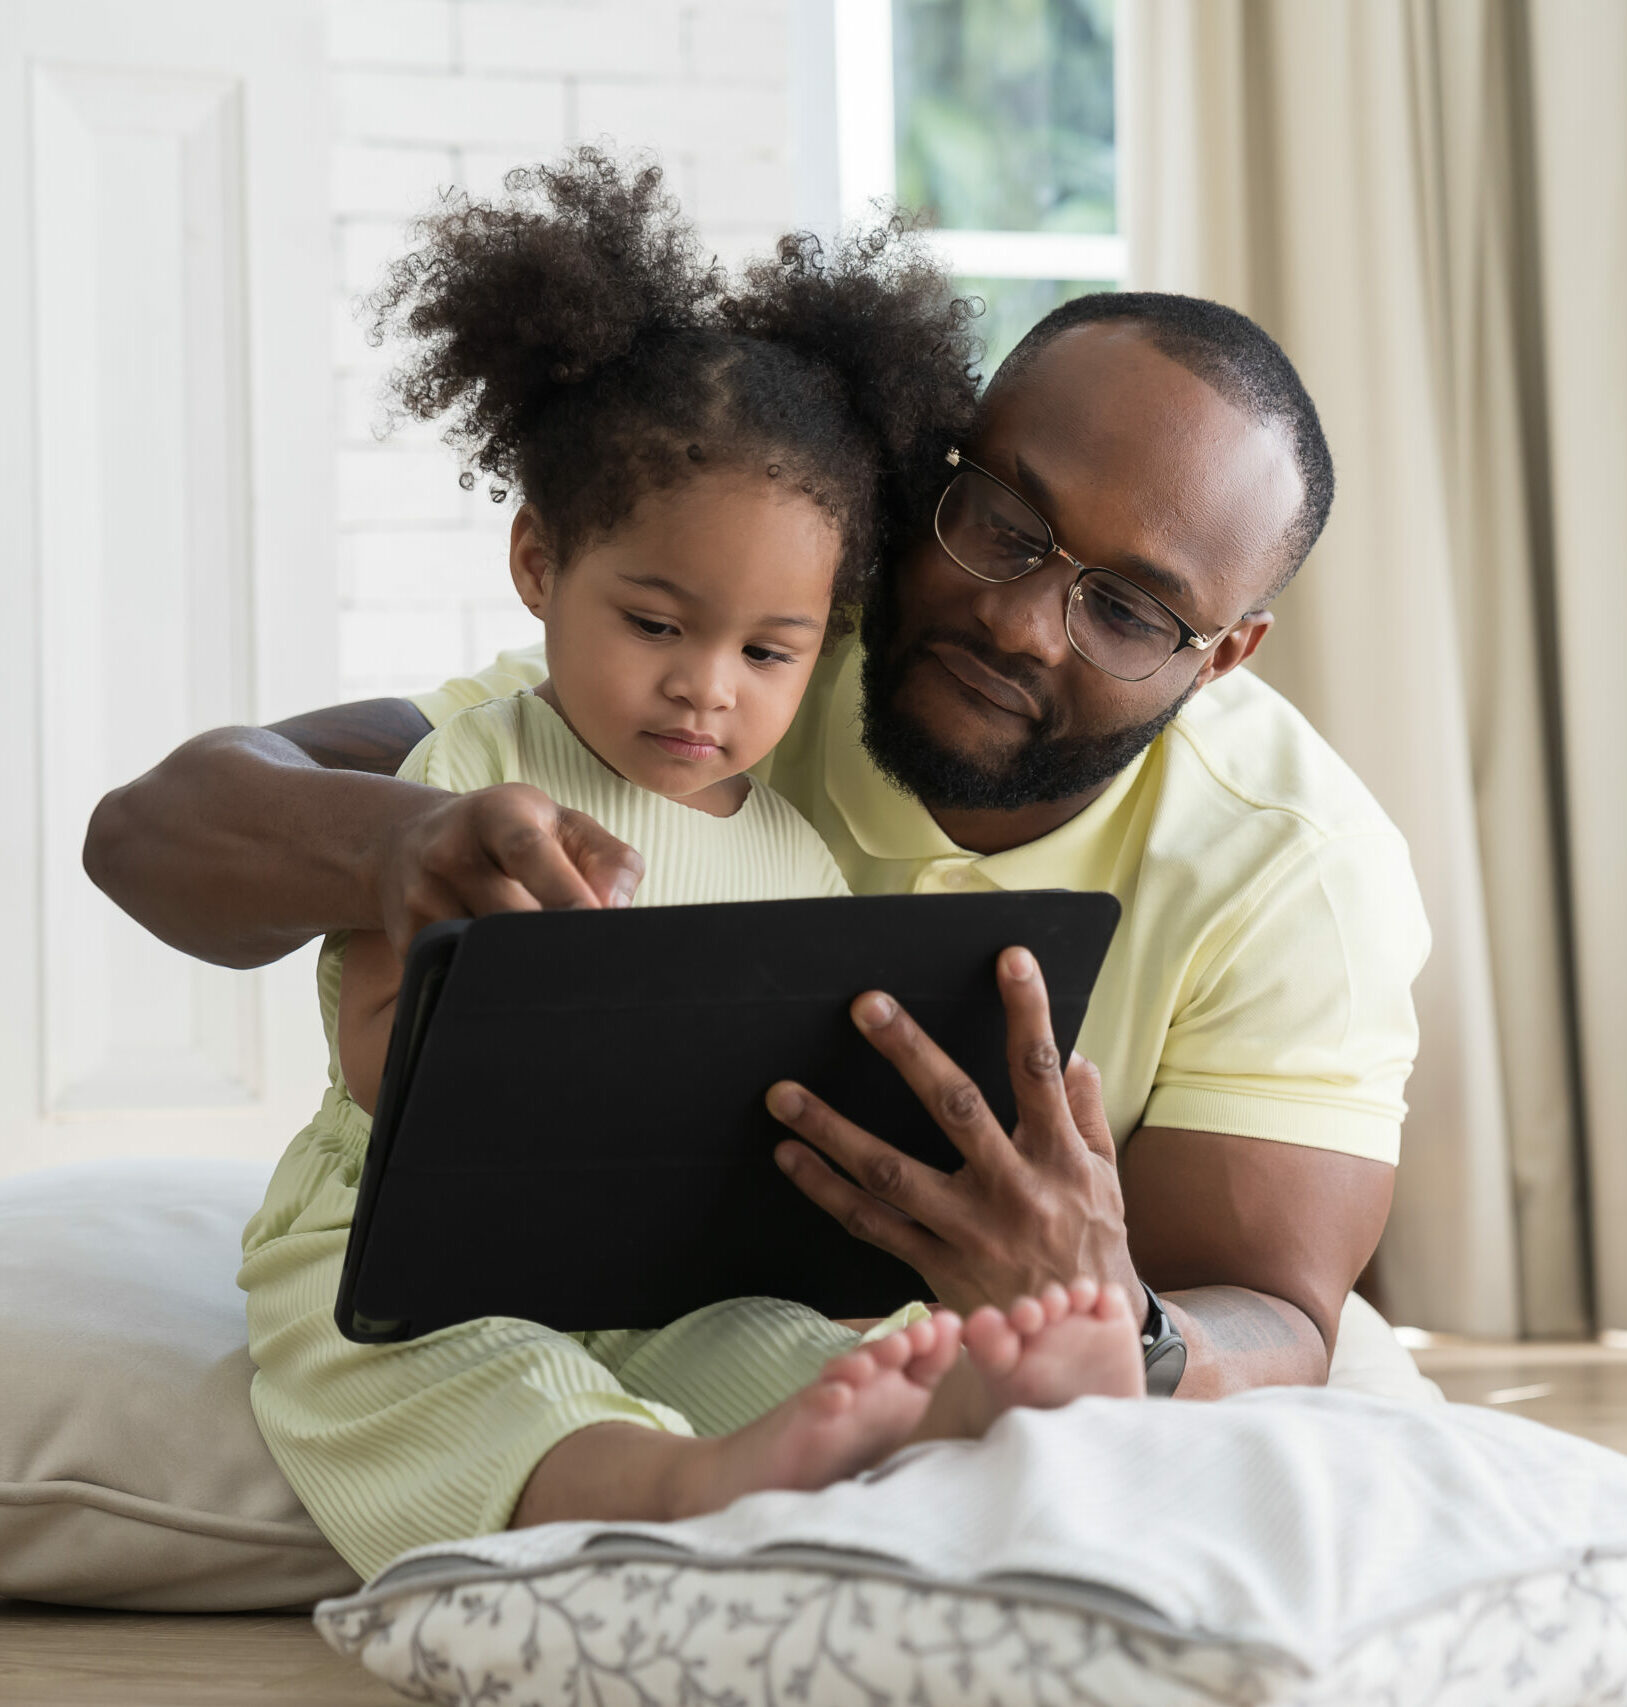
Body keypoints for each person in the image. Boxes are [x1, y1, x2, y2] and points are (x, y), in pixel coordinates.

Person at [87, 276, 1433, 1454]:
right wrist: (404, 847)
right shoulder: (751, 651)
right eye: (1004, 524)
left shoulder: (1299, 871)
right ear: (936, 473)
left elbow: (1281, 1316)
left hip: (850, 1334)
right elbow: (148, 834)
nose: (1022, 621)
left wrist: (1119, 1322)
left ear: (1229, 652)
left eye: (1130, 610)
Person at [231, 151, 1145, 1581]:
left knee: (784, 1345)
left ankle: (948, 1415)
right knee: (464, 1381)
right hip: (414, 1250)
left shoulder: (789, 852)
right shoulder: (472, 782)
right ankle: (674, 1485)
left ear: (824, 636)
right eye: (657, 625)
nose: (705, 691)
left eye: (766, 653)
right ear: (540, 562)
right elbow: (369, 1064)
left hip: (669, 1261)